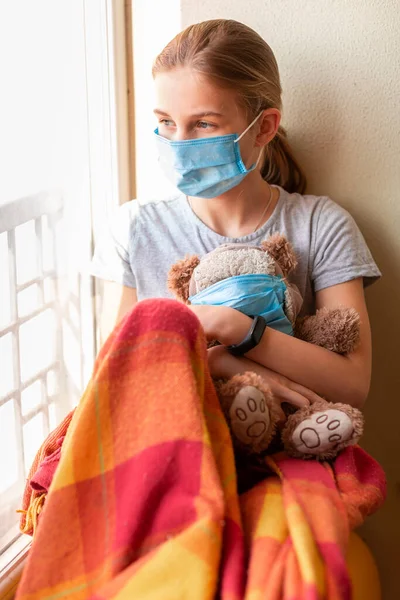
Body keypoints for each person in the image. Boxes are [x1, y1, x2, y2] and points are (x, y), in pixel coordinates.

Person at [90, 18, 381, 415]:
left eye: (203, 124)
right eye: (166, 122)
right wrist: (219, 362)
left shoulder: (321, 226)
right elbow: (114, 384)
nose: (178, 143)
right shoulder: (135, 230)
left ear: (263, 127)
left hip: (294, 451)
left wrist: (235, 327)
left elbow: (351, 386)